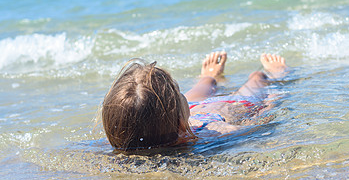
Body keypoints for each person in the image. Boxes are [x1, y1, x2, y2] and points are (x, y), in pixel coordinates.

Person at [101, 52, 288, 151]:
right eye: (178, 91)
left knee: (205, 84)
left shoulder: (128, 138)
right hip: (229, 108)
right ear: (182, 123)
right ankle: (274, 72)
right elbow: (260, 121)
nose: (180, 93)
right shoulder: (215, 135)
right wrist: (273, 100)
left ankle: (209, 76)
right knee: (257, 79)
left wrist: (179, 104)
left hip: (187, 109)